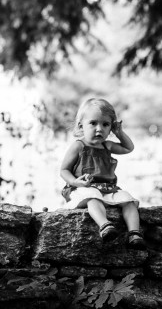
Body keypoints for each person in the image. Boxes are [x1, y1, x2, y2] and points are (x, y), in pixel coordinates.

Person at [59, 97, 144, 248]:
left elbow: (128, 148)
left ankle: (134, 233)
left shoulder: (107, 146)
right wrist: (75, 181)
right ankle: (105, 225)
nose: (99, 128)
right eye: (93, 123)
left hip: (107, 189)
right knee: (93, 199)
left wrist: (119, 133)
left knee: (128, 201)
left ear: (111, 128)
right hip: (84, 188)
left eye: (105, 124)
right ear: (81, 126)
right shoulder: (78, 146)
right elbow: (64, 170)